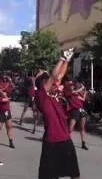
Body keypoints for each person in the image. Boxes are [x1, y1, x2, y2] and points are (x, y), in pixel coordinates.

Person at [35, 48, 80, 179]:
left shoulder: (55, 94)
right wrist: (61, 58)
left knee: (75, 174)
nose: (55, 82)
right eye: (49, 80)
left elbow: (59, 76)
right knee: (50, 176)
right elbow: (55, 76)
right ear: (44, 84)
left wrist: (67, 59)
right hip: (52, 143)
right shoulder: (41, 96)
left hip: (66, 140)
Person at [65, 81, 88, 150]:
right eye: (70, 85)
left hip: (81, 110)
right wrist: (82, 88)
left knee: (82, 127)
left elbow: (83, 100)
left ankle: (83, 143)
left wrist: (85, 93)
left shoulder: (76, 93)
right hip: (74, 110)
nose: (72, 86)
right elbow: (73, 92)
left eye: (72, 85)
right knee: (70, 128)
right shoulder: (68, 93)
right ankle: (67, 142)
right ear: (68, 87)